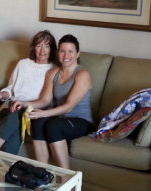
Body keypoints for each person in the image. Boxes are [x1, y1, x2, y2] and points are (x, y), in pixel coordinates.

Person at [11, 34, 94, 169]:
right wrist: (25, 104)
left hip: (81, 121)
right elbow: (45, 100)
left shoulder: (82, 74)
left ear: (77, 54)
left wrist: (43, 114)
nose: (66, 55)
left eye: (70, 51)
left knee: (53, 126)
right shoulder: (53, 73)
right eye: (62, 51)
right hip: (60, 118)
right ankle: (41, 171)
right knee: (37, 122)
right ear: (58, 52)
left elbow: (68, 107)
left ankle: (65, 177)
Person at [0, 30, 57, 154]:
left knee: (19, 125)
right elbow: (10, 88)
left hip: (32, 110)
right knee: (16, 111)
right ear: (33, 48)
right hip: (12, 104)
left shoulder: (53, 70)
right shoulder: (23, 64)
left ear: (52, 49)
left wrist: (29, 106)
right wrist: (1, 94)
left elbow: (48, 100)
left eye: (47, 46)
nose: (42, 50)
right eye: (39, 45)